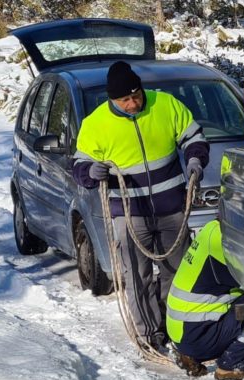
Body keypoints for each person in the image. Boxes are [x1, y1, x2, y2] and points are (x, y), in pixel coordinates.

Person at [73, 61, 209, 350]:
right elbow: (80, 166)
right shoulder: (95, 125)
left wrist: (196, 158)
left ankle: (178, 329)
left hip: (172, 208)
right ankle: (149, 335)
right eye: (125, 100)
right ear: (112, 99)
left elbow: (193, 136)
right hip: (129, 215)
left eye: (137, 95)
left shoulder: (166, 104)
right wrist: (91, 173)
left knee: (179, 273)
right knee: (137, 277)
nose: (134, 103)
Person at [166, 219, 244, 380]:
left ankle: (190, 354)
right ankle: (231, 365)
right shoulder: (224, 246)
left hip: (179, 332)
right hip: (196, 336)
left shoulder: (211, 229)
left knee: (241, 299)